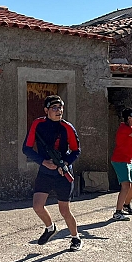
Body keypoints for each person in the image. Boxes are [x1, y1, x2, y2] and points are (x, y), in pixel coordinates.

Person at [22, 95, 82, 251]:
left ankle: (75, 238)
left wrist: (66, 163)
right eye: (54, 108)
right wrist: (43, 162)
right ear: (46, 110)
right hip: (45, 171)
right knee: (37, 206)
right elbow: (26, 148)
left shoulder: (67, 127)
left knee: (64, 210)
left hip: (63, 173)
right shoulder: (38, 124)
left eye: (60, 107)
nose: (58, 111)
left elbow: (76, 151)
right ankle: (50, 228)